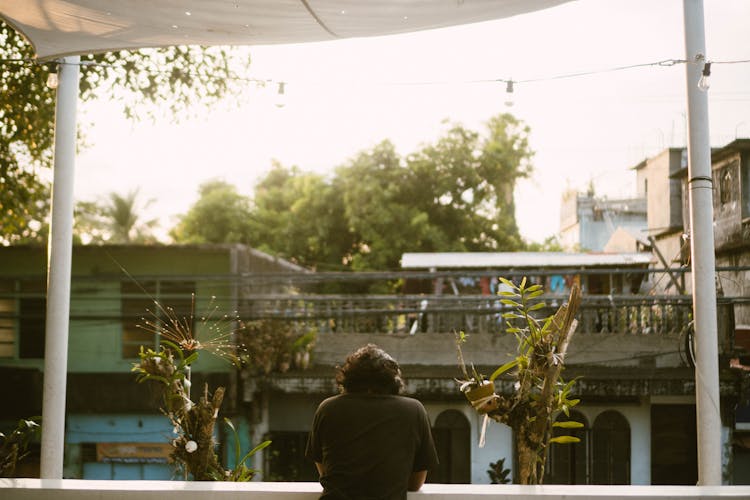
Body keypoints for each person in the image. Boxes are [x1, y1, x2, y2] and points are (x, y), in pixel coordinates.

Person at [305, 344, 439, 500]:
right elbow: (416, 483)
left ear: (348, 379)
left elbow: (325, 472)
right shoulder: (414, 410)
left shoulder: (328, 408)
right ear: (392, 381)